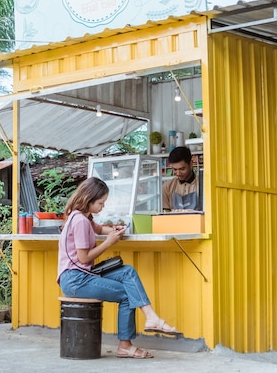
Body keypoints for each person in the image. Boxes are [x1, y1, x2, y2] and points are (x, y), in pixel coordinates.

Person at [57, 177, 180, 359]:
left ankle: (151, 317)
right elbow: (84, 258)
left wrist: (114, 230)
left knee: (127, 271)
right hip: (76, 280)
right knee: (126, 294)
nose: (102, 207)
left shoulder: (82, 216)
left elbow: (98, 229)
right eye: (101, 203)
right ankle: (125, 345)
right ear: (88, 200)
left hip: (79, 276)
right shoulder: (80, 221)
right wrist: (109, 242)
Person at [162, 146, 201, 211]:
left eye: (182, 169)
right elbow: (165, 213)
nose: (178, 173)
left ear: (191, 164)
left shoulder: (202, 184)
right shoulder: (168, 186)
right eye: (175, 169)